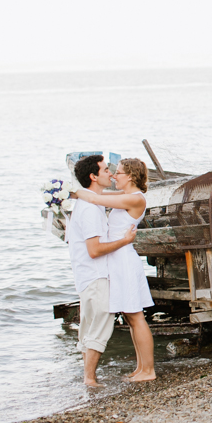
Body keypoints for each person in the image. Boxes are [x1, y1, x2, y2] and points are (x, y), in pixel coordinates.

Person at [74, 157, 156, 382]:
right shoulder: (125, 196)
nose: (113, 176)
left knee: (136, 316)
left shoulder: (135, 198)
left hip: (124, 261)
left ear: (129, 176)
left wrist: (70, 192)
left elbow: (93, 197)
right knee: (131, 317)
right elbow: (98, 197)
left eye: (118, 172)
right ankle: (141, 368)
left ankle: (148, 370)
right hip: (117, 262)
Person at [68, 155, 137, 387]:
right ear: (93, 176)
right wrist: (124, 241)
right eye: (106, 170)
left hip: (87, 275)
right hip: (95, 275)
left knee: (89, 326)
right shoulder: (90, 209)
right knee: (100, 325)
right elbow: (95, 250)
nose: (111, 173)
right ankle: (89, 378)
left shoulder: (89, 202)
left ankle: (88, 376)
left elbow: (114, 197)